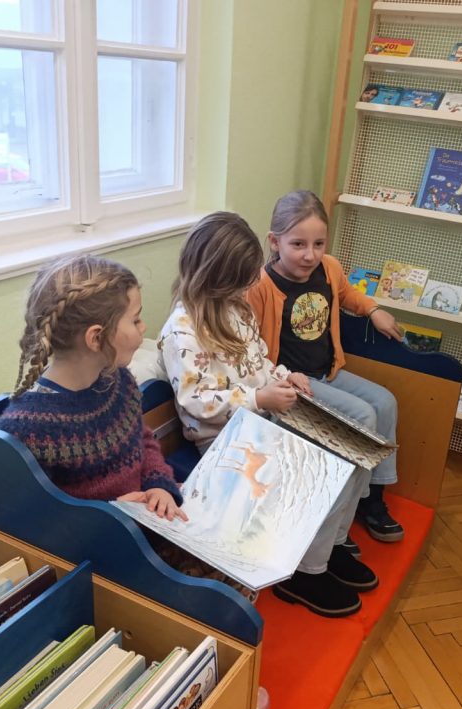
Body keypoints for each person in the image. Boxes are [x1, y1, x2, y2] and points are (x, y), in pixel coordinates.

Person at [0, 254, 272, 709]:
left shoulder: (118, 381)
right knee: (217, 594)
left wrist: (160, 484)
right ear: (96, 337)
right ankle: (203, 680)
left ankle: (217, 669)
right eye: (136, 319)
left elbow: (141, 441)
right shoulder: (29, 425)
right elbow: (40, 525)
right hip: (106, 556)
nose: (145, 329)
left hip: (150, 526)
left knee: (240, 560)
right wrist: (112, 510)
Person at [158, 211, 379, 618]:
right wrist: (260, 398)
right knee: (326, 465)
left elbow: (259, 361)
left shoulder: (236, 310)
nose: (249, 288)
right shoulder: (182, 329)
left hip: (265, 419)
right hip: (225, 441)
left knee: (355, 450)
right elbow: (197, 401)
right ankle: (305, 572)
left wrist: (284, 376)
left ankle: (327, 548)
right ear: (216, 277)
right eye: (241, 281)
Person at [247, 190, 405, 551]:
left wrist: (373, 309)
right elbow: (253, 347)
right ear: (274, 242)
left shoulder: (329, 268)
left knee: (385, 401)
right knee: (363, 415)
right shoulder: (261, 286)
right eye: (298, 244)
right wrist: (279, 378)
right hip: (293, 383)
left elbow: (348, 294)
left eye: (319, 243)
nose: (310, 255)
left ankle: (371, 497)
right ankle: (348, 506)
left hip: (327, 371)